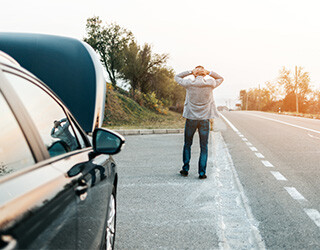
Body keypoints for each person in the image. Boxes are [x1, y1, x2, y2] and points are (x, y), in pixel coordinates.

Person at [175, 66, 224, 179]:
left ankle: (185, 169)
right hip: (204, 120)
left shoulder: (188, 83)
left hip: (191, 118)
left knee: (187, 144)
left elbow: (177, 77)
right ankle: (202, 173)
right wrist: (209, 72)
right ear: (204, 74)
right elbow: (220, 78)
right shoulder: (210, 83)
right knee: (204, 147)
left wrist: (190, 71)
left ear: (194, 74)